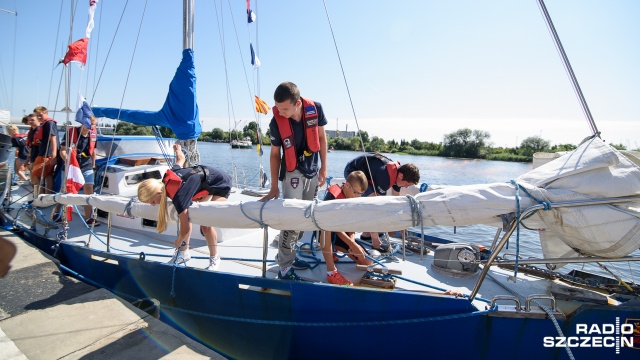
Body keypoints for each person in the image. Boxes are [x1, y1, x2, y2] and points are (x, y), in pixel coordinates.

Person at [260, 81, 328, 281]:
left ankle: (288, 254)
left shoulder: (315, 109)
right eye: (278, 107)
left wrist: (324, 167)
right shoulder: (276, 122)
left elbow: (322, 138)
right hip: (292, 173)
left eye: (285, 108)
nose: (280, 112)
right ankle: (284, 267)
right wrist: (274, 187)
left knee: (304, 219)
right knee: (291, 220)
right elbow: (274, 154)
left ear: (297, 103)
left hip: (312, 171)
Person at [137, 144, 232, 271]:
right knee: (189, 214)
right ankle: (184, 253)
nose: (153, 205)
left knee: (206, 225)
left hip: (221, 184)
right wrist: (178, 150)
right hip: (206, 181)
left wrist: (178, 241)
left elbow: (186, 226)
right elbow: (180, 159)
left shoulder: (179, 195)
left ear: (159, 193)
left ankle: (215, 258)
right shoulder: (170, 177)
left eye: (152, 201)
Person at [343, 153, 420, 251]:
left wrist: (399, 224)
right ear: (401, 176)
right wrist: (389, 227)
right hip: (353, 172)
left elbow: (395, 202)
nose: (405, 187)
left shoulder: (398, 174)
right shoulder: (385, 177)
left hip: (367, 172)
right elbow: (376, 207)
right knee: (373, 204)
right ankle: (375, 241)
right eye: (406, 184)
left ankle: (366, 234)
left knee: (378, 204)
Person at [320, 170, 372, 286]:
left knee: (367, 262)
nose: (357, 197)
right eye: (356, 192)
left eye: (360, 194)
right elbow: (334, 228)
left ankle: (340, 248)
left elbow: (351, 225)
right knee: (326, 229)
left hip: (343, 234)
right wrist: (353, 245)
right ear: (347, 185)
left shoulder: (352, 197)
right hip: (329, 233)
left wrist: (353, 242)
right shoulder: (332, 197)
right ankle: (331, 272)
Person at [59, 116, 99, 225]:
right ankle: (58, 212)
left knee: (89, 188)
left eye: (94, 124)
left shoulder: (93, 135)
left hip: (86, 165)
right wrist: (68, 160)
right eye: (91, 124)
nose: (92, 126)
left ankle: (89, 217)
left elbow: (93, 150)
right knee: (65, 190)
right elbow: (62, 150)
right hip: (71, 166)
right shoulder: (71, 132)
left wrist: (93, 165)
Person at [32, 106, 58, 196]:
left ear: (46, 113)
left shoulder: (49, 124)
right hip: (45, 153)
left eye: (40, 115)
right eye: (37, 116)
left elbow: (53, 139)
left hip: (46, 155)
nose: (38, 117)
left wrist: (54, 155)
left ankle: (40, 196)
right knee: (48, 176)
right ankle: (46, 196)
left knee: (34, 174)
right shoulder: (46, 124)